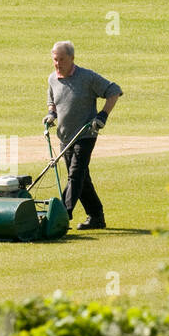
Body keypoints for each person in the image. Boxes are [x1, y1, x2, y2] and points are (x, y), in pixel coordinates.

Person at [44, 40, 122, 229]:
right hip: (64, 136)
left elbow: (114, 91)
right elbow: (52, 101)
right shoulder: (52, 79)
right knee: (82, 178)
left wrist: (102, 115)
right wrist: (51, 115)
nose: (58, 63)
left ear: (72, 58)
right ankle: (96, 217)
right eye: (55, 59)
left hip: (85, 134)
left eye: (62, 59)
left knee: (75, 174)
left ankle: (62, 214)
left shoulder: (87, 77)